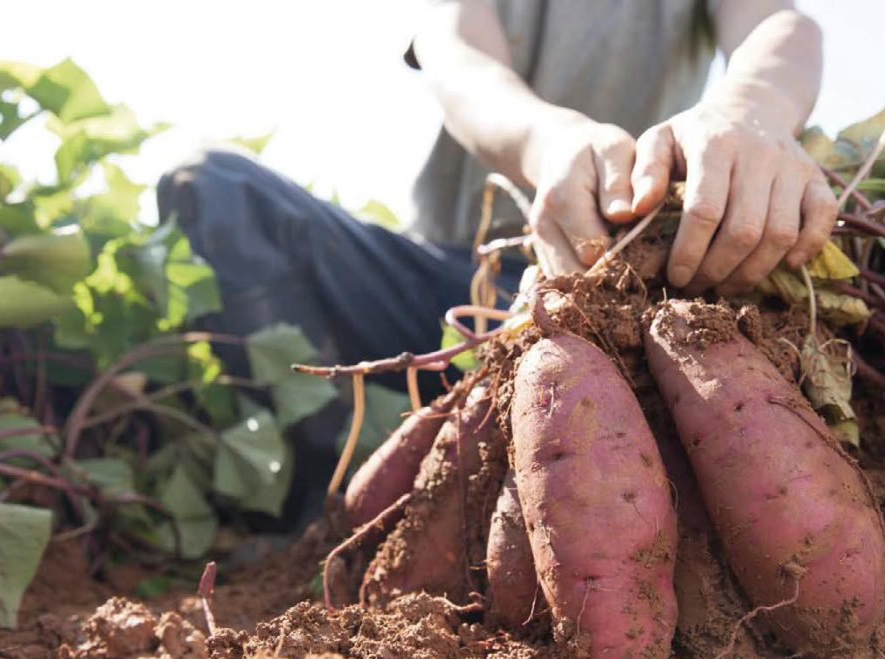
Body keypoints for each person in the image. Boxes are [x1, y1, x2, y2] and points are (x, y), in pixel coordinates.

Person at [158, 0, 836, 516]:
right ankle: (321, 503)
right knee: (212, 185)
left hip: (614, 290)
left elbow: (780, 26)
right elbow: (457, 58)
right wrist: (550, 142)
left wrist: (751, 111)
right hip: (456, 285)